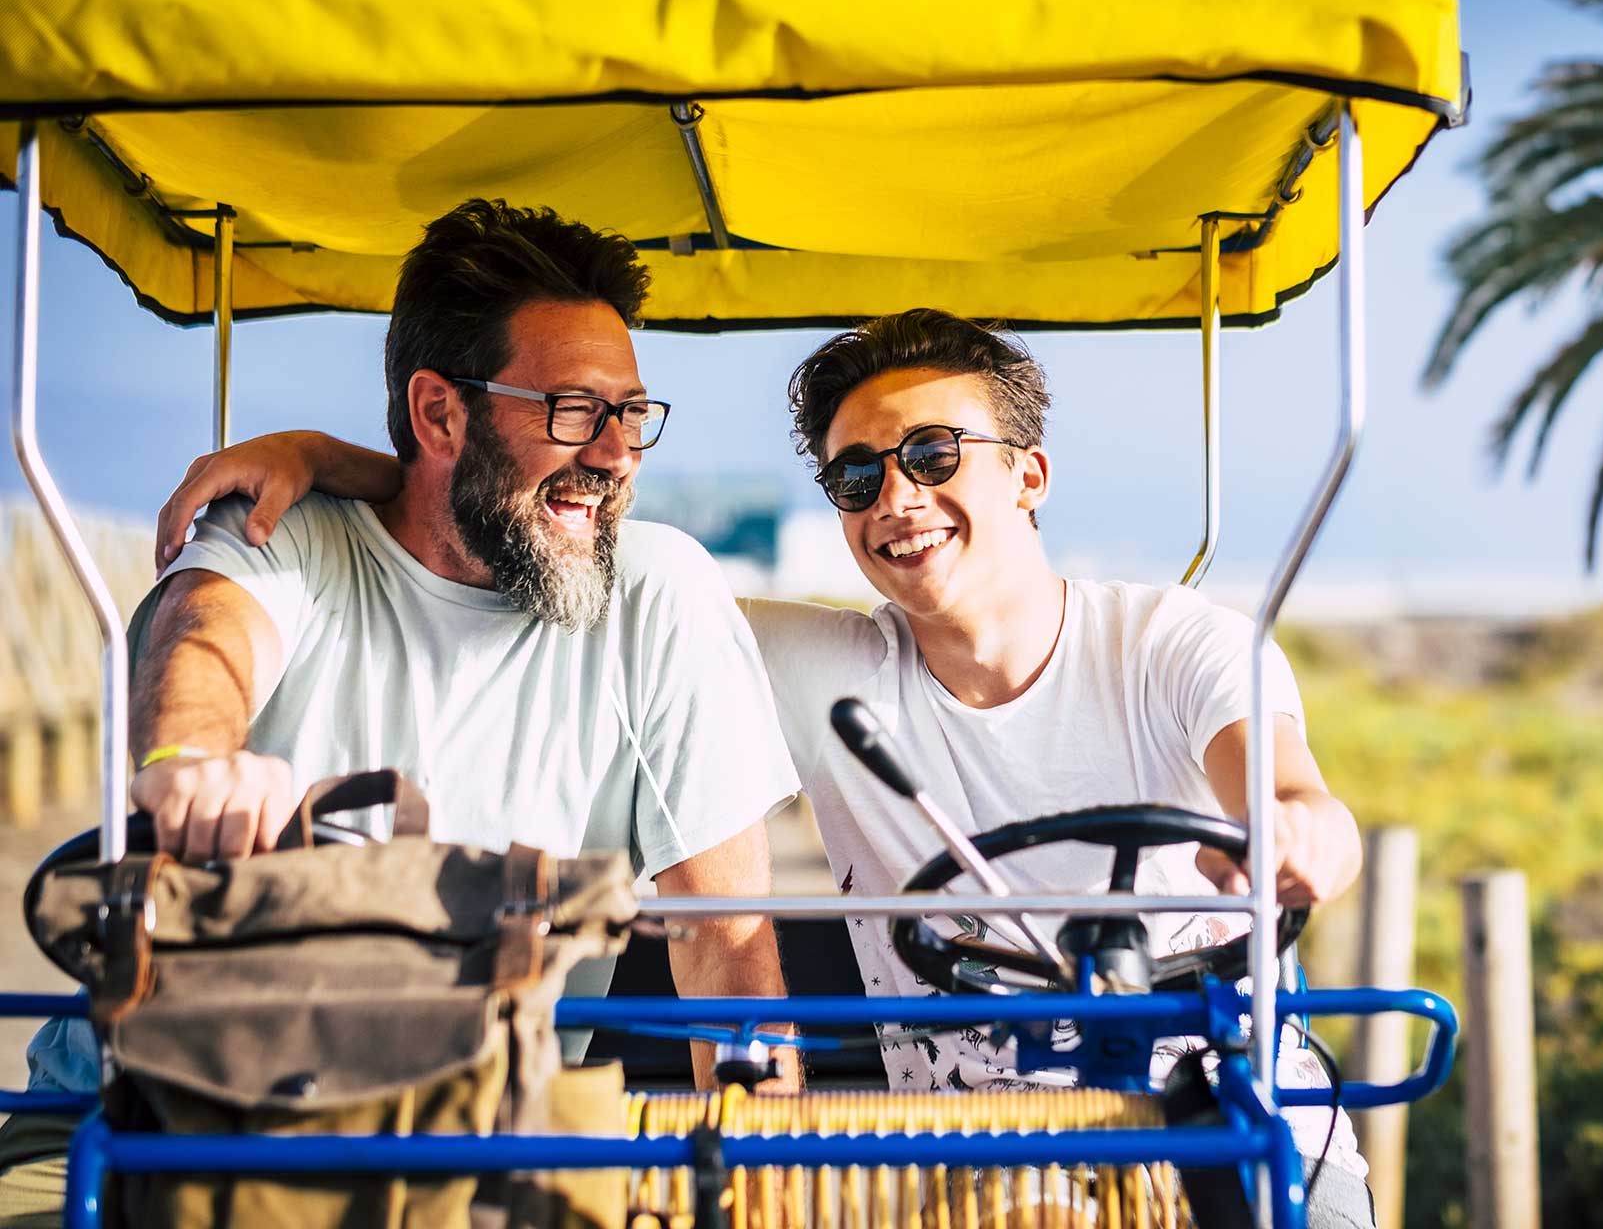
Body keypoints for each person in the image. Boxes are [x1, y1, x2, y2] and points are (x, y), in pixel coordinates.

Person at [147, 309, 1376, 1227]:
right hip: (976, 1158)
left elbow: (1286, 787)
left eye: (935, 453)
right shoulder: (818, 662)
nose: (898, 495)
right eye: (858, 475)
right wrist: (337, 459)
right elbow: (564, 528)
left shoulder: (1176, 645)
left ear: (1029, 473)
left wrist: (1296, 829)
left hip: (1215, 1118)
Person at [0, 199, 801, 1226]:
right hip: (144, 1107)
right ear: (438, 415)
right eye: (571, 409)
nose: (614, 453)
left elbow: (728, 945)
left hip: (477, 1130)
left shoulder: (659, 590)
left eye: (630, 412)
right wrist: (193, 759)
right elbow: (208, 636)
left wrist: (769, 1195)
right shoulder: (288, 530)